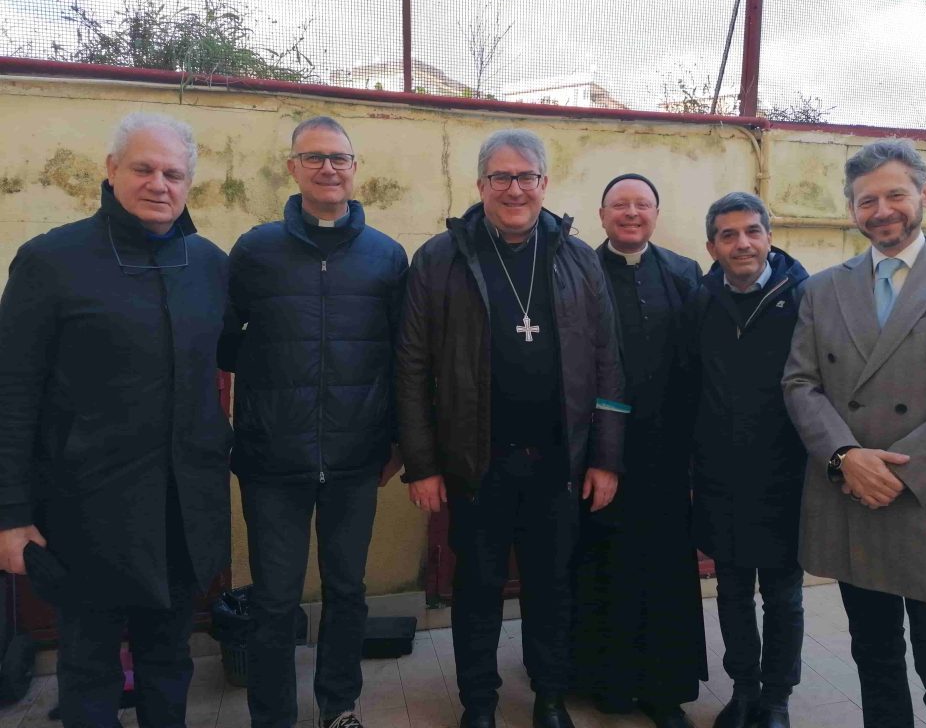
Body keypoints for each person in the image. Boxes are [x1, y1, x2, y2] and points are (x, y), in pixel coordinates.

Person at [0, 112, 231, 727]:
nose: (159, 184)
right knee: (90, 668)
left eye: (174, 173)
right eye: (143, 168)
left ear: (189, 184)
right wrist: (10, 517)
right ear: (110, 170)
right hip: (85, 512)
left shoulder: (208, 264)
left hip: (183, 512)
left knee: (169, 659)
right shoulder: (50, 261)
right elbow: (12, 394)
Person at [782, 139, 926, 728]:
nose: (882, 210)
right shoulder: (822, 288)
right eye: (867, 200)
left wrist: (891, 471)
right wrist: (845, 457)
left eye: (895, 194)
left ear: (925, 194)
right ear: (851, 209)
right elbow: (801, 384)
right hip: (855, 504)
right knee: (876, 662)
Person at [396, 129, 625, 728]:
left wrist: (606, 457)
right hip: (476, 462)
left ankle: (549, 698)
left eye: (527, 176)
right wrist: (421, 464)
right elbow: (412, 367)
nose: (514, 188)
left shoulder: (577, 259)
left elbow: (607, 361)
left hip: (559, 461)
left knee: (551, 589)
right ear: (480, 185)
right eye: (501, 177)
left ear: (545, 185)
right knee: (477, 592)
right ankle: (480, 704)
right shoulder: (440, 259)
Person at [218, 116, 407, 728]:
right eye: (314, 157)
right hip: (273, 460)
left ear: (355, 168)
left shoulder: (386, 256)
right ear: (292, 167)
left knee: (347, 592)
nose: (328, 168)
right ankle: (272, 717)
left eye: (339, 158)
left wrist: (398, 438)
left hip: (356, 457)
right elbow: (225, 345)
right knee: (274, 601)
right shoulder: (254, 251)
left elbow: (402, 353)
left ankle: (338, 707)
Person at [572, 173, 706, 728]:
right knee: (603, 563)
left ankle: (664, 688)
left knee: (666, 568)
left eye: (642, 204)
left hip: (667, 453)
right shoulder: (578, 271)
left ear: (656, 213)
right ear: (602, 216)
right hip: (598, 451)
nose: (631, 213)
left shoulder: (682, 273)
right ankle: (606, 680)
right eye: (619, 205)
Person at [687, 192, 808, 728]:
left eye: (753, 231)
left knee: (783, 596)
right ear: (712, 245)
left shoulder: (805, 297)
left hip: (787, 477)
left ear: (769, 236)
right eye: (729, 235)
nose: (743, 244)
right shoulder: (699, 301)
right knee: (732, 592)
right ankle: (743, 690)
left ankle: (777, 699)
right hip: (719, 478)